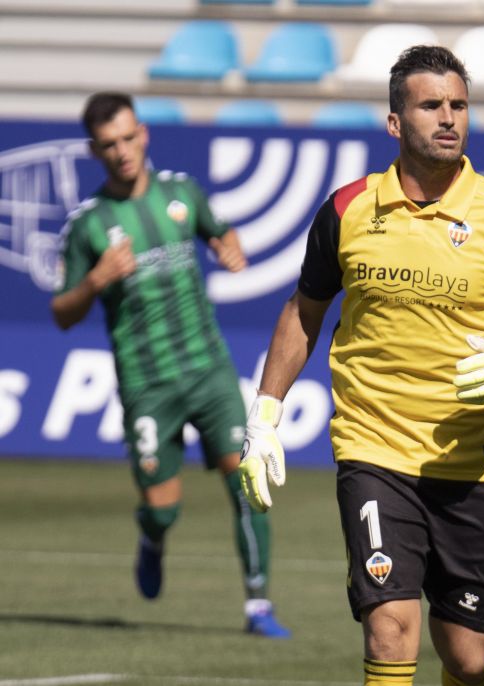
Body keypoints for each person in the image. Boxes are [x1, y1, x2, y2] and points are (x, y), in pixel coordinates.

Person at [237, 46, 484, 685]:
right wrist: (265, 416)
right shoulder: (347, 210)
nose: (448, 117)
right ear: (395, 122)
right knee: (389, 627)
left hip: (476, 463)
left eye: (459, 105)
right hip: (374, 451)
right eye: (431, 105)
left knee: (468, 658)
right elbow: (303, 311)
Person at [51, 92, 290, 638]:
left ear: (143, 135)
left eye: (127, 138)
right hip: (147, 385)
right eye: (108, 145)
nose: (121, 152)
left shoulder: (182, 192)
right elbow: (62, 313)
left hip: (209, 372)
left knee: (246, 483)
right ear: (95, 151)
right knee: (164, 508)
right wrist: (95, 281)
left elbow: (220, 230)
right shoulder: (88, 225)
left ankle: (258, 605)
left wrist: (228, 247)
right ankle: (152, 535)